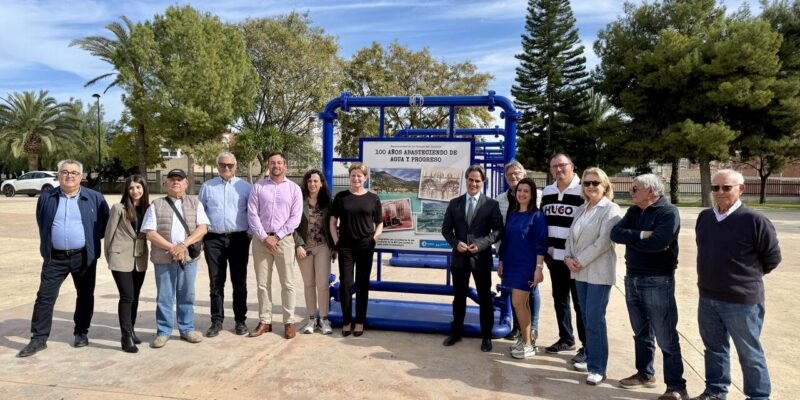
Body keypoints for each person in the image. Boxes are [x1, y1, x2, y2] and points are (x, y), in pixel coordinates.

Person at [690, 169, 781, 400]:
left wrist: (743, 279)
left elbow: (772, 258)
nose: (720, 192)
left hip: (741, 302)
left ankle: (758, 396)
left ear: (741, 189)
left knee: (749, 353)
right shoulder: (705, 218)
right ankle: (716, 391)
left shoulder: (755, 220)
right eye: (715, 187)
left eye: (726, 187)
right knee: (714, 349)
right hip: (708, 298)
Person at [18, 159, 109, 358]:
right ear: (58, 175)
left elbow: (103, 226)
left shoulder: (95, 198)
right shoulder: (46, 197)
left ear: (81, 176)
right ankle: (38, 338)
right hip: (55, 258)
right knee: (44, 297)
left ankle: (81, 333)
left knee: (85, 296)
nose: (69, 176)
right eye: (65, 172)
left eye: (74, 172)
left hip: (83, 257)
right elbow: (42, 222)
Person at [610, 173, 688, 400]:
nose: (631, 192)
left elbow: (659, 243)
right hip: (632, 277)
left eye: (635, 189)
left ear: (651, 192)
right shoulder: (635, 211)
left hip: (658, 280)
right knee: (641, 332)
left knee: (666, 336)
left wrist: (632, 241)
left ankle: (676, 386)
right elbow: (615, 233)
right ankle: (645, 374)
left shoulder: (668, 212)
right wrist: (642, 236)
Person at [564, 167, 621, 385]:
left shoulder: (611, 209)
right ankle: (590, 358)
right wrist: (568, 258)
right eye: (586, 183)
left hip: (598, 272)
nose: (590, 187)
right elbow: (571, 237)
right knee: (586, 318)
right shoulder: (581, 208)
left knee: (595, 320)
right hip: (580, 273)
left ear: (605, 185)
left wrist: (579, 260)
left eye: (595, 183)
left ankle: (598, 368)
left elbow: (604, 242)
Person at [142, 168, 209, 348]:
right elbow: (150, 233)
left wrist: (183, 245)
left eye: (180, 179)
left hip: (188, 257)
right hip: (164, 257)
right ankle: (163, 332)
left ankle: (187, 328)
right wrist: (173, 248)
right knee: (164, 296)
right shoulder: (156, 205)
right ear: (166, 184)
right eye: (172, 179)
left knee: (187, 294)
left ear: (186, 183)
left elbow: (202, 228)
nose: (176, 182)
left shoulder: (195, 203)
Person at [441, 165, 503, 352]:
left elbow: (498, 231)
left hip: (481, 259)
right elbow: (446, 229)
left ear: (482, 183)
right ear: (466, 180)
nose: (474, 183)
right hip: (459, 259)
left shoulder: (491, 205)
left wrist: (482, 244)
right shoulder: (455, 203)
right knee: (458, 298)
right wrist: (455, 243)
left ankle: (486, 336)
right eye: (471, 180)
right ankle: (456, 332)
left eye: (477, 180)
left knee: (485, 299)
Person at [248, 152, 303, 339]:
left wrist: (277, 236)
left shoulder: (294, 189)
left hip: (284, 240)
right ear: (268, 166)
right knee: (263, 283)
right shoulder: (258, 187)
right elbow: (252, 214)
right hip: (261, 240)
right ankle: (265, 320)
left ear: (285, 166)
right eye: (273, 163)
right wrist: (264, 237)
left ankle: (289, 321)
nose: (276, 166)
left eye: (279, 163)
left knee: (287, 283)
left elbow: (295, 217)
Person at [198, 152, 252, 337]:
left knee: (239, 282)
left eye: (230, 165)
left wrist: (250, 234)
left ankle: (240, 320)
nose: (226, 168)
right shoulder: (207, 187)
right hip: (214, 239)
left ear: (236, 166)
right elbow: (200, 214)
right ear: (217, 166)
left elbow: (252, 213)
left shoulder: (245, 187)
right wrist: (200, 239)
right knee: (216, 282)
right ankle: (216, 321)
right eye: (223, 165)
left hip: (239, 238)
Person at [540, 153, 586, 364]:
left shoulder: (584, 190)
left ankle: (587, 346)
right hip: (555, 258)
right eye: (554, 167)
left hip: (576, 260)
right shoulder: (547, 192)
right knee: (560, 300)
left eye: (562, 166)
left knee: (580, 303)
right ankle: (566, 338)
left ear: (572, 166)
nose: (558, 170)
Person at [329, 163, 383, 337]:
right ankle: (346, 321)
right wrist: (336, 241)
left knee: (362, 284)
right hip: (346, 246)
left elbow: (380, 223)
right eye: (353, 175)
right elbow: (332, 222)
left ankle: (359, 321)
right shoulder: (341, 197)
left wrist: (374, 239)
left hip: (365, 246)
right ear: (349, 177)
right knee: (346, 283)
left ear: (365, 178)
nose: (356, 178)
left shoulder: (373, 198)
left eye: (360, 175)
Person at [497, 177, 547, 359]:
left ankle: (528, 344)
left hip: (527, 266)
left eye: (526, 191)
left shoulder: (538, 216)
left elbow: (541, 243)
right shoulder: (512, 214)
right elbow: (506, 241)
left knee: (518, 303)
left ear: (532, 194)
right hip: (510, 263)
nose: (522, 194)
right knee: (521, 304)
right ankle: (525, 340)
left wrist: (538, 268)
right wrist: (501, 261)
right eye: (519, 190)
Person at [104, 175, 150, 353]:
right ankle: (125, 337)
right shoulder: (118, 208)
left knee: (135, 296)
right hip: (120, 258)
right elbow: (109, 235)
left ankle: (131, 330)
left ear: (144, 189)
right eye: (131, 188)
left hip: (139, 259)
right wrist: (111, 259)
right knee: (127, 296)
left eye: (138, 187)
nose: (135, 191)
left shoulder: (148, 209)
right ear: (127, 190)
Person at [293, 169, 336, 335]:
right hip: (304, 247)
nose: (312, 184)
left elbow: (333, 225)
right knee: (308, 283)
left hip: (322, 247)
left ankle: (324, 319)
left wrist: (334, 247)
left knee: (322, 284)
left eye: (316, 181)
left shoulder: (328, 202)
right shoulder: (299, 201)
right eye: (309, 181)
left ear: (321, 183)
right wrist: (298, 245)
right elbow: (292, 224)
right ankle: (311, 318)